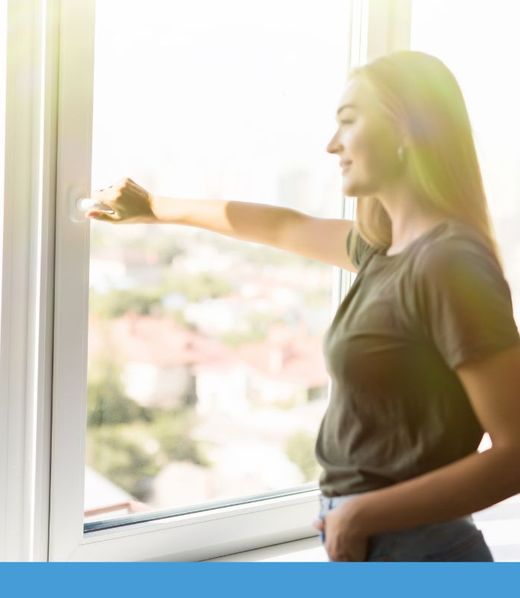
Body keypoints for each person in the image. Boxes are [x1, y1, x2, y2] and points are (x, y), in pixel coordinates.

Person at [86, 51, 520, 562]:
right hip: (372, 541)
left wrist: (362, 515)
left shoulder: (449, 263)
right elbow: (283, 226)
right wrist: (155, 208)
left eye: (348, 122)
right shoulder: (383, 252)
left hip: (419, 548)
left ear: (406, 129)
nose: (331, 144)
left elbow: (515, 456)